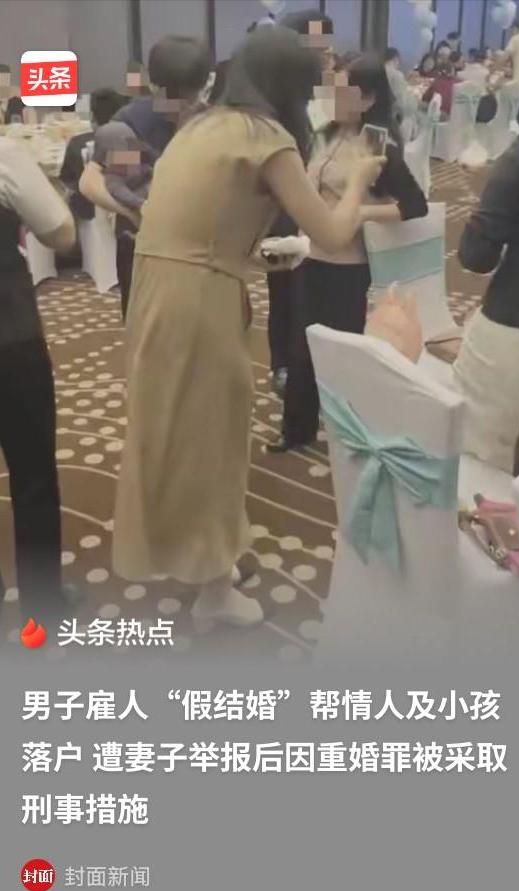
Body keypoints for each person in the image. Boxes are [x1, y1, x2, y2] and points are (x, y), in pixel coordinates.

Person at [111, 27, 384, 628]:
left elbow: (195, 228)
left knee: (182, 429)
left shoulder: (205, 125)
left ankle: (206, 559)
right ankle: (212, 589)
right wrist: (360, 181)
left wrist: (251, 258)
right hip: (195, 300)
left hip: (166, 287)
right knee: (210, 436)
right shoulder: (266, 138)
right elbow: (332, 234)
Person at [267, 54, 427, 454]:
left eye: (342, 92)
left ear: (368, 98)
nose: (332, 98)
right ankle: (297, 428)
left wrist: (363, 213)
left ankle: (349, 435)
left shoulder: (378, 146)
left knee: (342, 353)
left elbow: (415, 205)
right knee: (302, 346)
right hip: (308, 256)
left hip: (347, 267)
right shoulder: (324, 135)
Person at [79, 36, 211, 318]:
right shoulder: (131, 124)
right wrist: (136, 212)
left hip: (199, 247)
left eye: (192, 97)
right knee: (144, 324)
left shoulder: (210, 122)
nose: (184, 106)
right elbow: (90, 183)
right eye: (174, 97)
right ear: (153, 85)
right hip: (142, 247)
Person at [0, 138, 76, 624]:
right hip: (9, 337)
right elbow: (62, 233)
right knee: (32, 474)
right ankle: (43, 605)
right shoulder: (4, 155)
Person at [265, 8, 334, 396]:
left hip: (324, 205)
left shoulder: (333, 90)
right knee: (285, 292)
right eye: (316, 47)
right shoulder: (276, 98)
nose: (324, 55)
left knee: (319, 293)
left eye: (326, 47)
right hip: (284, 209)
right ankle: (283, 364)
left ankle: (312, 365)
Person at [456, 96, 519, 471]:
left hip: (514, 326)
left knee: (483, 459)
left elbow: (476, 256)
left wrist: (486, 200)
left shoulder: (517, 162)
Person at [60, 88, 128, 221]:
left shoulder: (77, 143)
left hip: (86, 215)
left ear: (92, 117)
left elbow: (66, 181)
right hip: (123, 216)